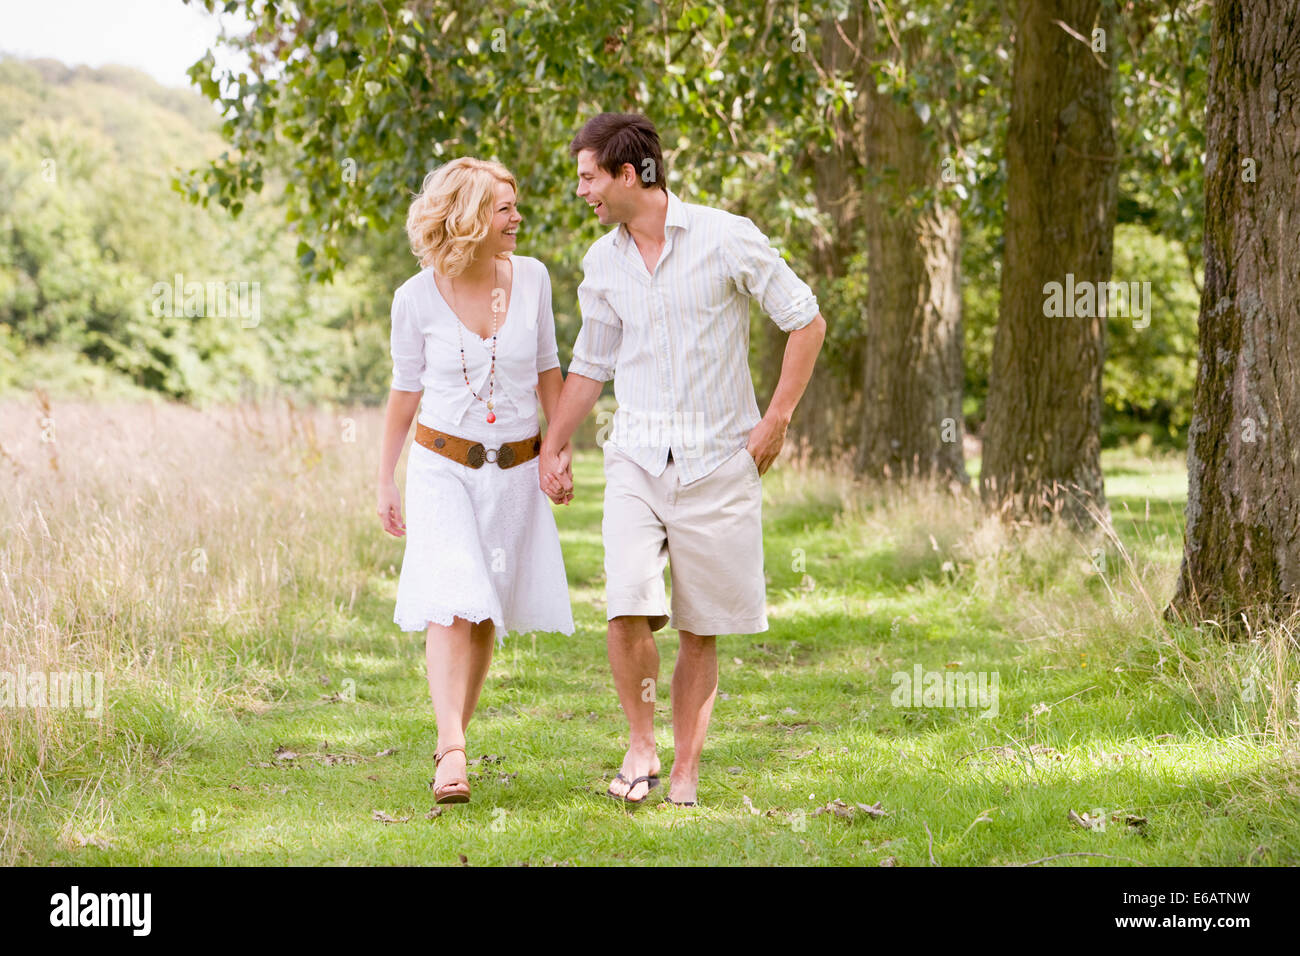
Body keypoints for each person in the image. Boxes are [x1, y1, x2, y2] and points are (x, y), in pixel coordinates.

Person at [538, 113, 827, 806]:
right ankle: (641, 743)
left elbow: (805, 320)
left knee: (701, 626)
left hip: (721, 461)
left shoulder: (727, 237)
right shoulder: (601, 262)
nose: (583, 192)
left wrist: (776, 419)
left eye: (588, 177)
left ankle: (685, 772)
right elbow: (591, 364)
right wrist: (555, 441)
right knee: (626, 603)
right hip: (637, 456)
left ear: (628, 174)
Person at [377, 157, 575, 805]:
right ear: (467, 216)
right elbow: (404, 392)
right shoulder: (414, 298)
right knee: (455, 599)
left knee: (486, 609)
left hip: (514, 471)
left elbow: (549, 370)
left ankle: (452, 734)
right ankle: (452, 751)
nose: (518, 217)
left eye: (515, 205)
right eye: (504, 208)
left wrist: (559, 448)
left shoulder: (535, 279)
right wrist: (386, 477)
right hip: (441, 470)